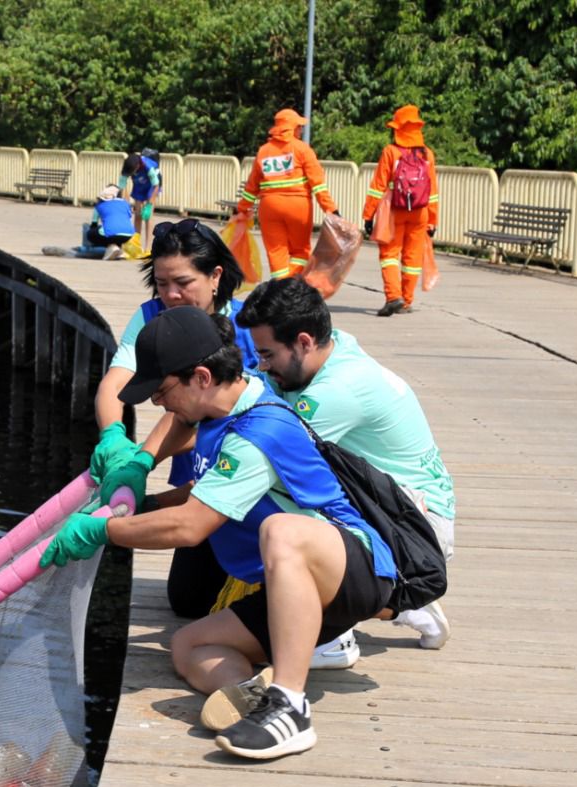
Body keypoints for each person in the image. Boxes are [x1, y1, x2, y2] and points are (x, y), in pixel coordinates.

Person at [45, 307, 396, 761]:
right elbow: (201, 487)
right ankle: (254, 696)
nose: (157, 404)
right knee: (189, 645)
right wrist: (144, 493)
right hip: (300, 587)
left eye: (162, 390)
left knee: (281, 530)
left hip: (355, 569)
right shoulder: (221, 409)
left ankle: (291, 708)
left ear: (202, 377)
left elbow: (191, 526)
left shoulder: (259, 429)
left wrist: (103, 530)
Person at [234, 276, 454, 667]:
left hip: (416, 529)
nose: (263, 368)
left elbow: (265, 462)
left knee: (262, 494)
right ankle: (399, 601)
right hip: (397, 508)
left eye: (268, 356)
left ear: (304, 342)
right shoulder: (331, 347)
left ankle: (334, 634)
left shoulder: (335, 392)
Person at [89, 218, 263, 620]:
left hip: (247, 476)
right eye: (162, 282)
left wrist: (146, 458)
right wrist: (114, 436)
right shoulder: (153, 314)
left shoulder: (250, 327)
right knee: (188, 602)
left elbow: (202, 421)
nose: (170, 294)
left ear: (215, 275)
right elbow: (115, 383)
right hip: (198, 480)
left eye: (182, 282)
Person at [237, 108, 338, 281]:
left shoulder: (264, 151)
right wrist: (331, 210)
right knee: (300, 251)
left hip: (269, 207)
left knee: (276, 252)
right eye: (299, 126)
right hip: (298, 207)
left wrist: (241, 209)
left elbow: (252, 186)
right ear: (292, 128)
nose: (301, 130)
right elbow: (318, 184)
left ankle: (280, 288)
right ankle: (289, 285)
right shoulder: (302, 149)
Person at [362, 105, 440, 316]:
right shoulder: (427, 154)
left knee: (389, 254)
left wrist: (368, 216)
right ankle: (406, 301)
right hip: (420, 212)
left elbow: (378, 186)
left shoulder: (391, 152)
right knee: (413, 257)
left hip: (394, 211)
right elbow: (433, 191)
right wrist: (433, 220)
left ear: (398, 129)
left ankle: (392, 296)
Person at [127, 147, 162, 246]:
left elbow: (156, 186)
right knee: (138, 214)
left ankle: (148, 247)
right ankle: (136, 244)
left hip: (152, 186)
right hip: (139, 185)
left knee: (148, 216)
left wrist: (149, 205)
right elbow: (122, 185)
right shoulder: (128, 167)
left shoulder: (148, 167)